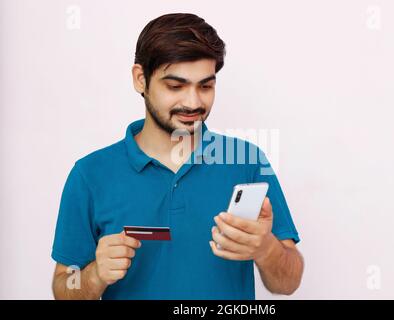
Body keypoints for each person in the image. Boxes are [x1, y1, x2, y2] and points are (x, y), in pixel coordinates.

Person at [51, 12, 304, 300]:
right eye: (175, 86)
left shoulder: (246, 161)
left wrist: (266, 249)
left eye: (206, 86)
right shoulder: (90, 175)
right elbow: (63, 288)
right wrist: (95, 275)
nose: (193, 102)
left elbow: (288, 282)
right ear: (140, 79)